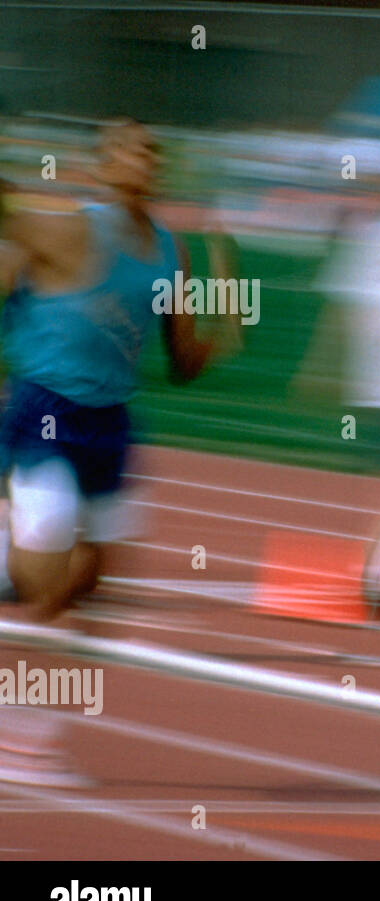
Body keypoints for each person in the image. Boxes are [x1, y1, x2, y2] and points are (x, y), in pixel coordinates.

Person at [0, 118, 240, 622]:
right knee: (44, 588)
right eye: (133, 150)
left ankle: (16, 560)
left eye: (153, 151)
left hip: (110, 419)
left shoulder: (173, 251)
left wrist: (225, 328)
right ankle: (13, 559)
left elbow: (183, 364)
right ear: (102, 168)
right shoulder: (76, 228)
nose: (147, 159)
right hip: (47, 408)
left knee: (87, 580)